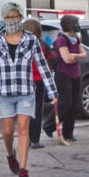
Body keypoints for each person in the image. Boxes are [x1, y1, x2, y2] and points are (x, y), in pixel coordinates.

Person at [0, 2, 58, 177]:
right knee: (8, 131)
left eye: (14, 17)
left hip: (25, 91)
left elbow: (42, 66)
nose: (11, 20)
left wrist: (52, 91)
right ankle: (10, 155)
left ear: (20, 18)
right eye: (8, 17)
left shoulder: (30, 39)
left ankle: (23, 170)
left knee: (23, 130)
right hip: (6, 93)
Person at [42, 15, 86, 143]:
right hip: (64, 74)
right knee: (65, 103)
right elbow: (66, 58)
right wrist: (76, 56)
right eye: (76, 23)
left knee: (74, 104)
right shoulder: (62, 39)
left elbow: (84, 55)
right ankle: (48, 126)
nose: (78, 25)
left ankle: (68, 133)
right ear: (70, 25)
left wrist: (75, 56)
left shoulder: (76, 38)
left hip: (76, 74)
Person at [22, 18, 55, 149]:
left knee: (24, 112)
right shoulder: (42, 45)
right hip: (38, 81)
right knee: (36, 111)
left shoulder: (20, 43)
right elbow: (54, 58)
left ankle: (25, 138)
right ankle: (34, 140)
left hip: (23, 81)